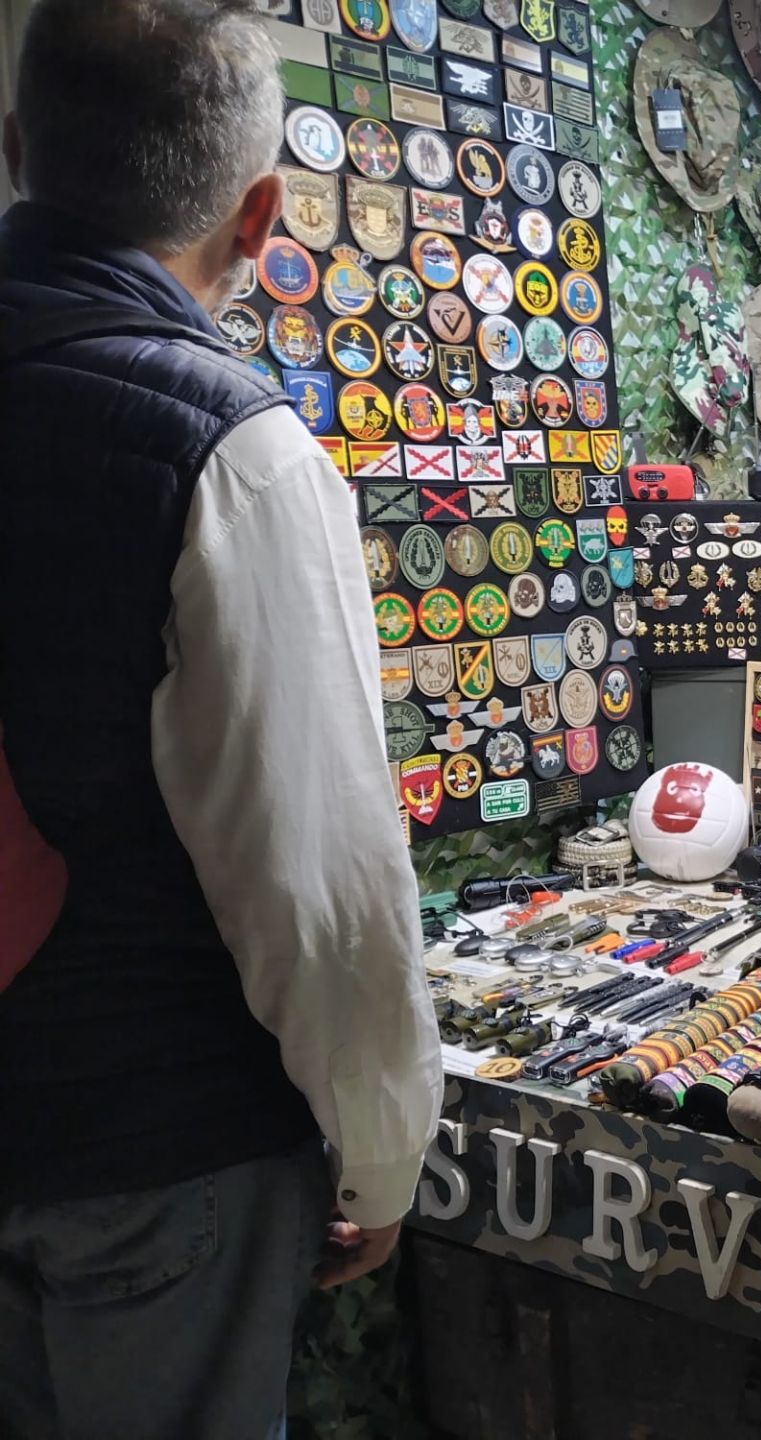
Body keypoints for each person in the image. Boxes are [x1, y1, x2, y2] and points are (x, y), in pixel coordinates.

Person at [0, 4, 443, 1435]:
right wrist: (381, 1155)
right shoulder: (230, 449)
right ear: (261, 213)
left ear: (19, 153)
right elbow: (318, 883)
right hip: (159, 1143)